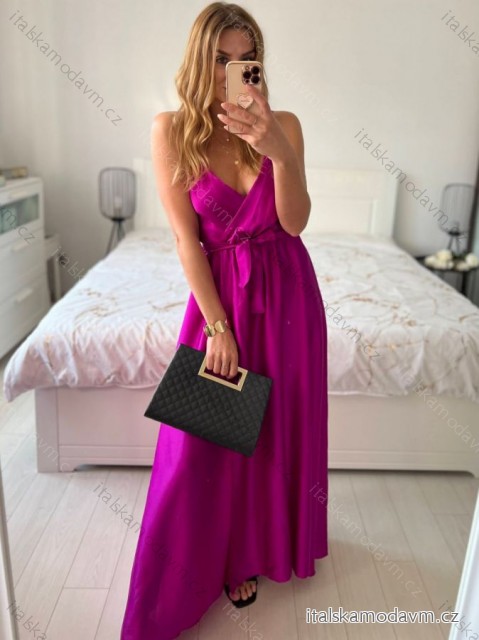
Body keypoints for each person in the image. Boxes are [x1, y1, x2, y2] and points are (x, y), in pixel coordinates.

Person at [120, 3, 328, 638]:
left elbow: (294, 222)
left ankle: (252, 554)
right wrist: (217, 326)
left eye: (245, 58)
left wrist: (279, 154)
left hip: (288, 296)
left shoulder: (284, 125)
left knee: (275, 433)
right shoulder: (171, 131)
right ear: (198, 59)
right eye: (219, 58)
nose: (232, 70)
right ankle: (195, 566)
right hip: (220, 302)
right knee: (202, 444)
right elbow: (186, 240)